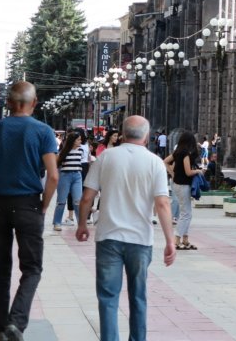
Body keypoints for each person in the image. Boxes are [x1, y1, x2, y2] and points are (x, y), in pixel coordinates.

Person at [75, 115, 175, 341]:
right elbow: (162, 203)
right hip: (140, 240)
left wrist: (82, 224)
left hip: (108, 237)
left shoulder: (105, 157)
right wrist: (170, 240)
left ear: (122, 133)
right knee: (138, 297)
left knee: (108, 298)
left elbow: (87, 197)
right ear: (147, 136)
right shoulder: (155, 162)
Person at [0, 81, 59, 341]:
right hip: (28, 204)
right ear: (34, 103)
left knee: (0, 269)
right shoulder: (43, 131)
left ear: (10, 103)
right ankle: (16, 322)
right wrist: (44, 205)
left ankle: (2, 326)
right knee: (32, 268)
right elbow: (53, 176)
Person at [164, 132, 203, 250]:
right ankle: (176, 240)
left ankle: (185, 240)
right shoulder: (185, 154)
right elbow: (188, 172)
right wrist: (198, 171)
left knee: (186, 213)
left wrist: (173, 173)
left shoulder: (177, 152)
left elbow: (165, 161)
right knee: (186, 214)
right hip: (183, 185)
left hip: (177, 184)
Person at [53, 132, 85, 232]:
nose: (80, 141)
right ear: (73, 141)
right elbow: (57, 164)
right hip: (65, 176)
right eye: (78, 139)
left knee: (78, 201)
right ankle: (57, 222)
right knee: (61, 201)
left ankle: (81, 223)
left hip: (77, 176)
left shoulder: (81, 150)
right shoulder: (64, 151)